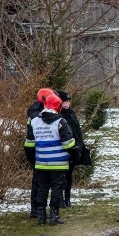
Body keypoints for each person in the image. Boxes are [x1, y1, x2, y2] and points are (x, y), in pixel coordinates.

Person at [24, 94, 78, 225]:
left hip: (41, 162)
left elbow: (29, 144)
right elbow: (69, 144)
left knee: (42, 189)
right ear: (58, 107)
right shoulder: (60, 122)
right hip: (58, 163)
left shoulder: (35, 121)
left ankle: (41, 215)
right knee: (57, 189)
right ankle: (54, 215)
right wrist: (74, 155)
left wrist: (33, 160)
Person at [27, 87, 55, 218]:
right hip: (39, 150)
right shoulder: (36, 114)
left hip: (40, 150)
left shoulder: (35, 111)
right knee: (39, 183)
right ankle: (36, 209)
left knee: (41, 183)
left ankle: (39, 209)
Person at [55, 91, 85, 208]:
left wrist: (80, 146)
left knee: (69, 176)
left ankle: (67, 199)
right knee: (61, 177)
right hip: (63, 149)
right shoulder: (58, 115)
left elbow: (77, 130)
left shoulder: (71, 113)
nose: (67, 103)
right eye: (65, 101)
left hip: (74, 148)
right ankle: (61, 200)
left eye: (68, 101)